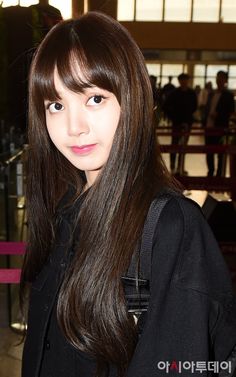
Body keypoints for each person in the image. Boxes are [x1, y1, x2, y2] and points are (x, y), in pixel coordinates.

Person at [20, 12, 236, 377]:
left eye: (95, 99)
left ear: (131, 99)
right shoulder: (63, 209)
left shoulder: (170, 227)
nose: (74, 127)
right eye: (56, 105)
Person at [164, 73, 197, 175]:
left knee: (184, 146)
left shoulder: (192, 93)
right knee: (174, 144)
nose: (184, 82)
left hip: (187, 123)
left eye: (185, 80)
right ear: (179, 81)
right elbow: (165, 106)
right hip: (176, 123)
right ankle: (173, 166)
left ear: (188, 81)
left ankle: (180, 166)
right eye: (182, 80)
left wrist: (188, 118)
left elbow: (194, 106)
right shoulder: (174, 93)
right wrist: (173, 117)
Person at [204, 71, 234, 177]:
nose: (218, 80)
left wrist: (219, 115)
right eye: (217, 78)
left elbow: (230, 111)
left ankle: (219, 174)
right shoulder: (211, 93)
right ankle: (210, 172)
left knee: (220, 152)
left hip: (220, 127)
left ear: (225, 81)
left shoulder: (229, 96)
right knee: (209, 151)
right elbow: (206, 108)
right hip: (208, 127)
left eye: (221, 78)